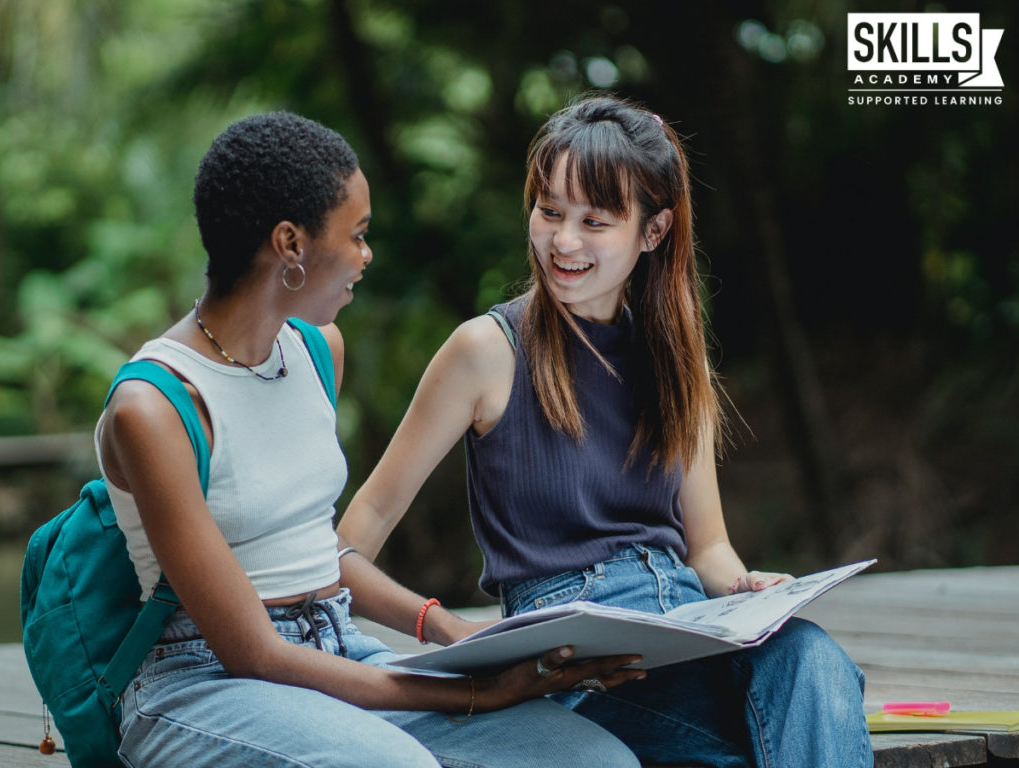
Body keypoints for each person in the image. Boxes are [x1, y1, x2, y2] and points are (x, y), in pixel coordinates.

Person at [94, 110, 646, 768]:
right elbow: (254, 653)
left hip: (336, 644)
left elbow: (314, 549)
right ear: (290, 245)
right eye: (356, 235)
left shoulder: (315, 350)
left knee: (593, 760)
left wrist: (448, 629)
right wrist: (474, 692)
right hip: (199, 682)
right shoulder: (154, 407)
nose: (367, 255)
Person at [337, 94, 874, 768]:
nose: (564, 240)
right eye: (550, 211)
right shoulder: (487, 350)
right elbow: (350, 542)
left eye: (596, 221)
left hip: (683, 635)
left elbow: (707, 549)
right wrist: (440, 627)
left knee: (810, 657)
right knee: (769, 737)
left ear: (653, 232)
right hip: (575, 668)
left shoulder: (677, 358)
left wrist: (746, 594)